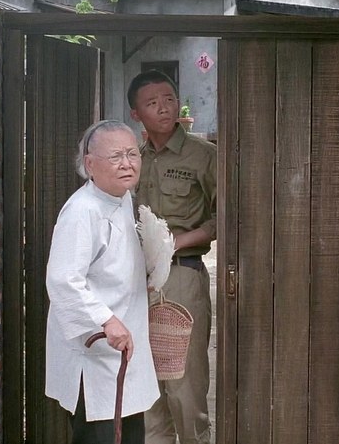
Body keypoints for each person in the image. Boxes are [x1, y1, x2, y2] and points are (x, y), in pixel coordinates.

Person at [45, 120, 160, 444]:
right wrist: (106, 320)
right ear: (90, 164)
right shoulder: (82, 211)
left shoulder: (122, 197)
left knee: (129, 435)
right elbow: (63, 280)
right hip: (97, 354)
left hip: (123, 349)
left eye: (132, 154)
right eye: (115, 156)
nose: (127, 163)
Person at [129, 70, 217, 444]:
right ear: (136, 114)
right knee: (146, 385)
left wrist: (177, 243)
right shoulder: (133, 158)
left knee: (184, 384)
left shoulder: (203, 155)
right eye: (152, 103)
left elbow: (227, 216)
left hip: (182, 276)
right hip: (137, 281)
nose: (164, 108)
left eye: (169, 99)